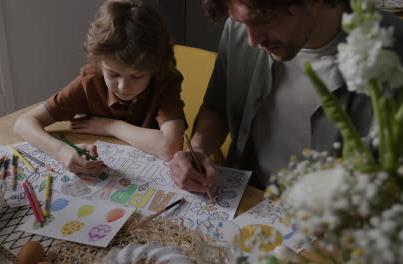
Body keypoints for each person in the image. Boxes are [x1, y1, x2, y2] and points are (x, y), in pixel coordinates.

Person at [169, 0, 403, 191]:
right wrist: (198, 149)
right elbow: (218, 108)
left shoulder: (393, 53)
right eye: (242, 22)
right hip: (251, 195)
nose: (253, 40)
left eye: (263, 21)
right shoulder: (240, 30)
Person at [15, 0, 186, 175]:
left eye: (137, 76)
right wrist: (60, 151)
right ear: (99, 63)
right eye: (113, 74)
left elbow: (170, 148)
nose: (123, 87)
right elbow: (24, 123)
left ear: (155, 68)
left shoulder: (165, 80)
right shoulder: (91, 81)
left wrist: (110, 126)